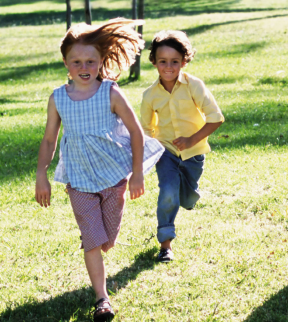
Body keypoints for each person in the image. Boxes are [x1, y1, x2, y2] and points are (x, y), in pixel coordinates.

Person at [35, 19, 164, 322]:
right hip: (78, 180)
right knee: (92, 239)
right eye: (76, 61)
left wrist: (137, 174)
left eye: (90, 61)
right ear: (66, 63)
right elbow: (49, 139)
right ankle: (102, 299)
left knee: (107, 238)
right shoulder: (58, 98)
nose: (84, 66)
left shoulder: (110, 93)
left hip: (113, 176)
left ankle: (102, 250)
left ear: (101, 61)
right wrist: (42, 173)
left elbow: (135, 132)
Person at [140, 30, 224, 263]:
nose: (168, 67)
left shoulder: (194, 85)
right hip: (165, 152)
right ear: (154, 62)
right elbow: (146, 129)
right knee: (167, 192)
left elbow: (216, 118)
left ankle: (188, 196)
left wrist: (191, 140)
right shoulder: (149, 95)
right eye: (163, 61)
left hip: (194, 153)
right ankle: (165, 245)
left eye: (174, 61)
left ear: (184, 61)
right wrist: (153, 152)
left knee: (186, 198)